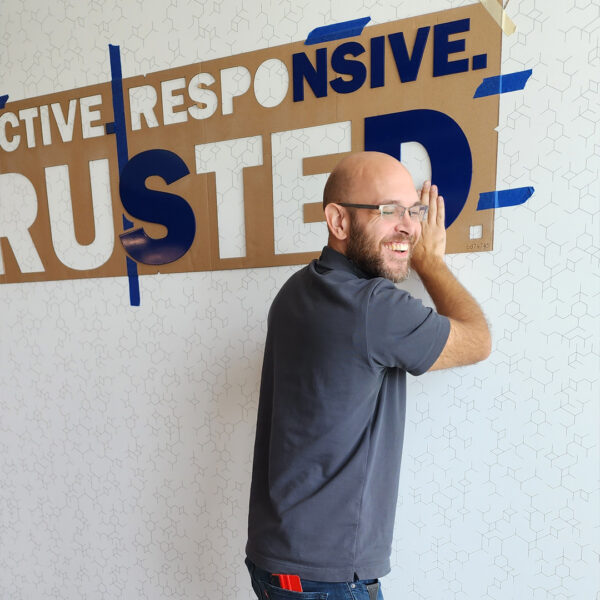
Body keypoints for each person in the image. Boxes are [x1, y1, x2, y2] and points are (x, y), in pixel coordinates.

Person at [245, 151, 491, 600]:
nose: (410, 228)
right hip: (328, 577)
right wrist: (431, 264)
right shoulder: (373, 306)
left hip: (273, 559)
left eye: (414, 211)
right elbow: (477, 341)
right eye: (388, 211)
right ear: (338, 221)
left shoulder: (296, 288)